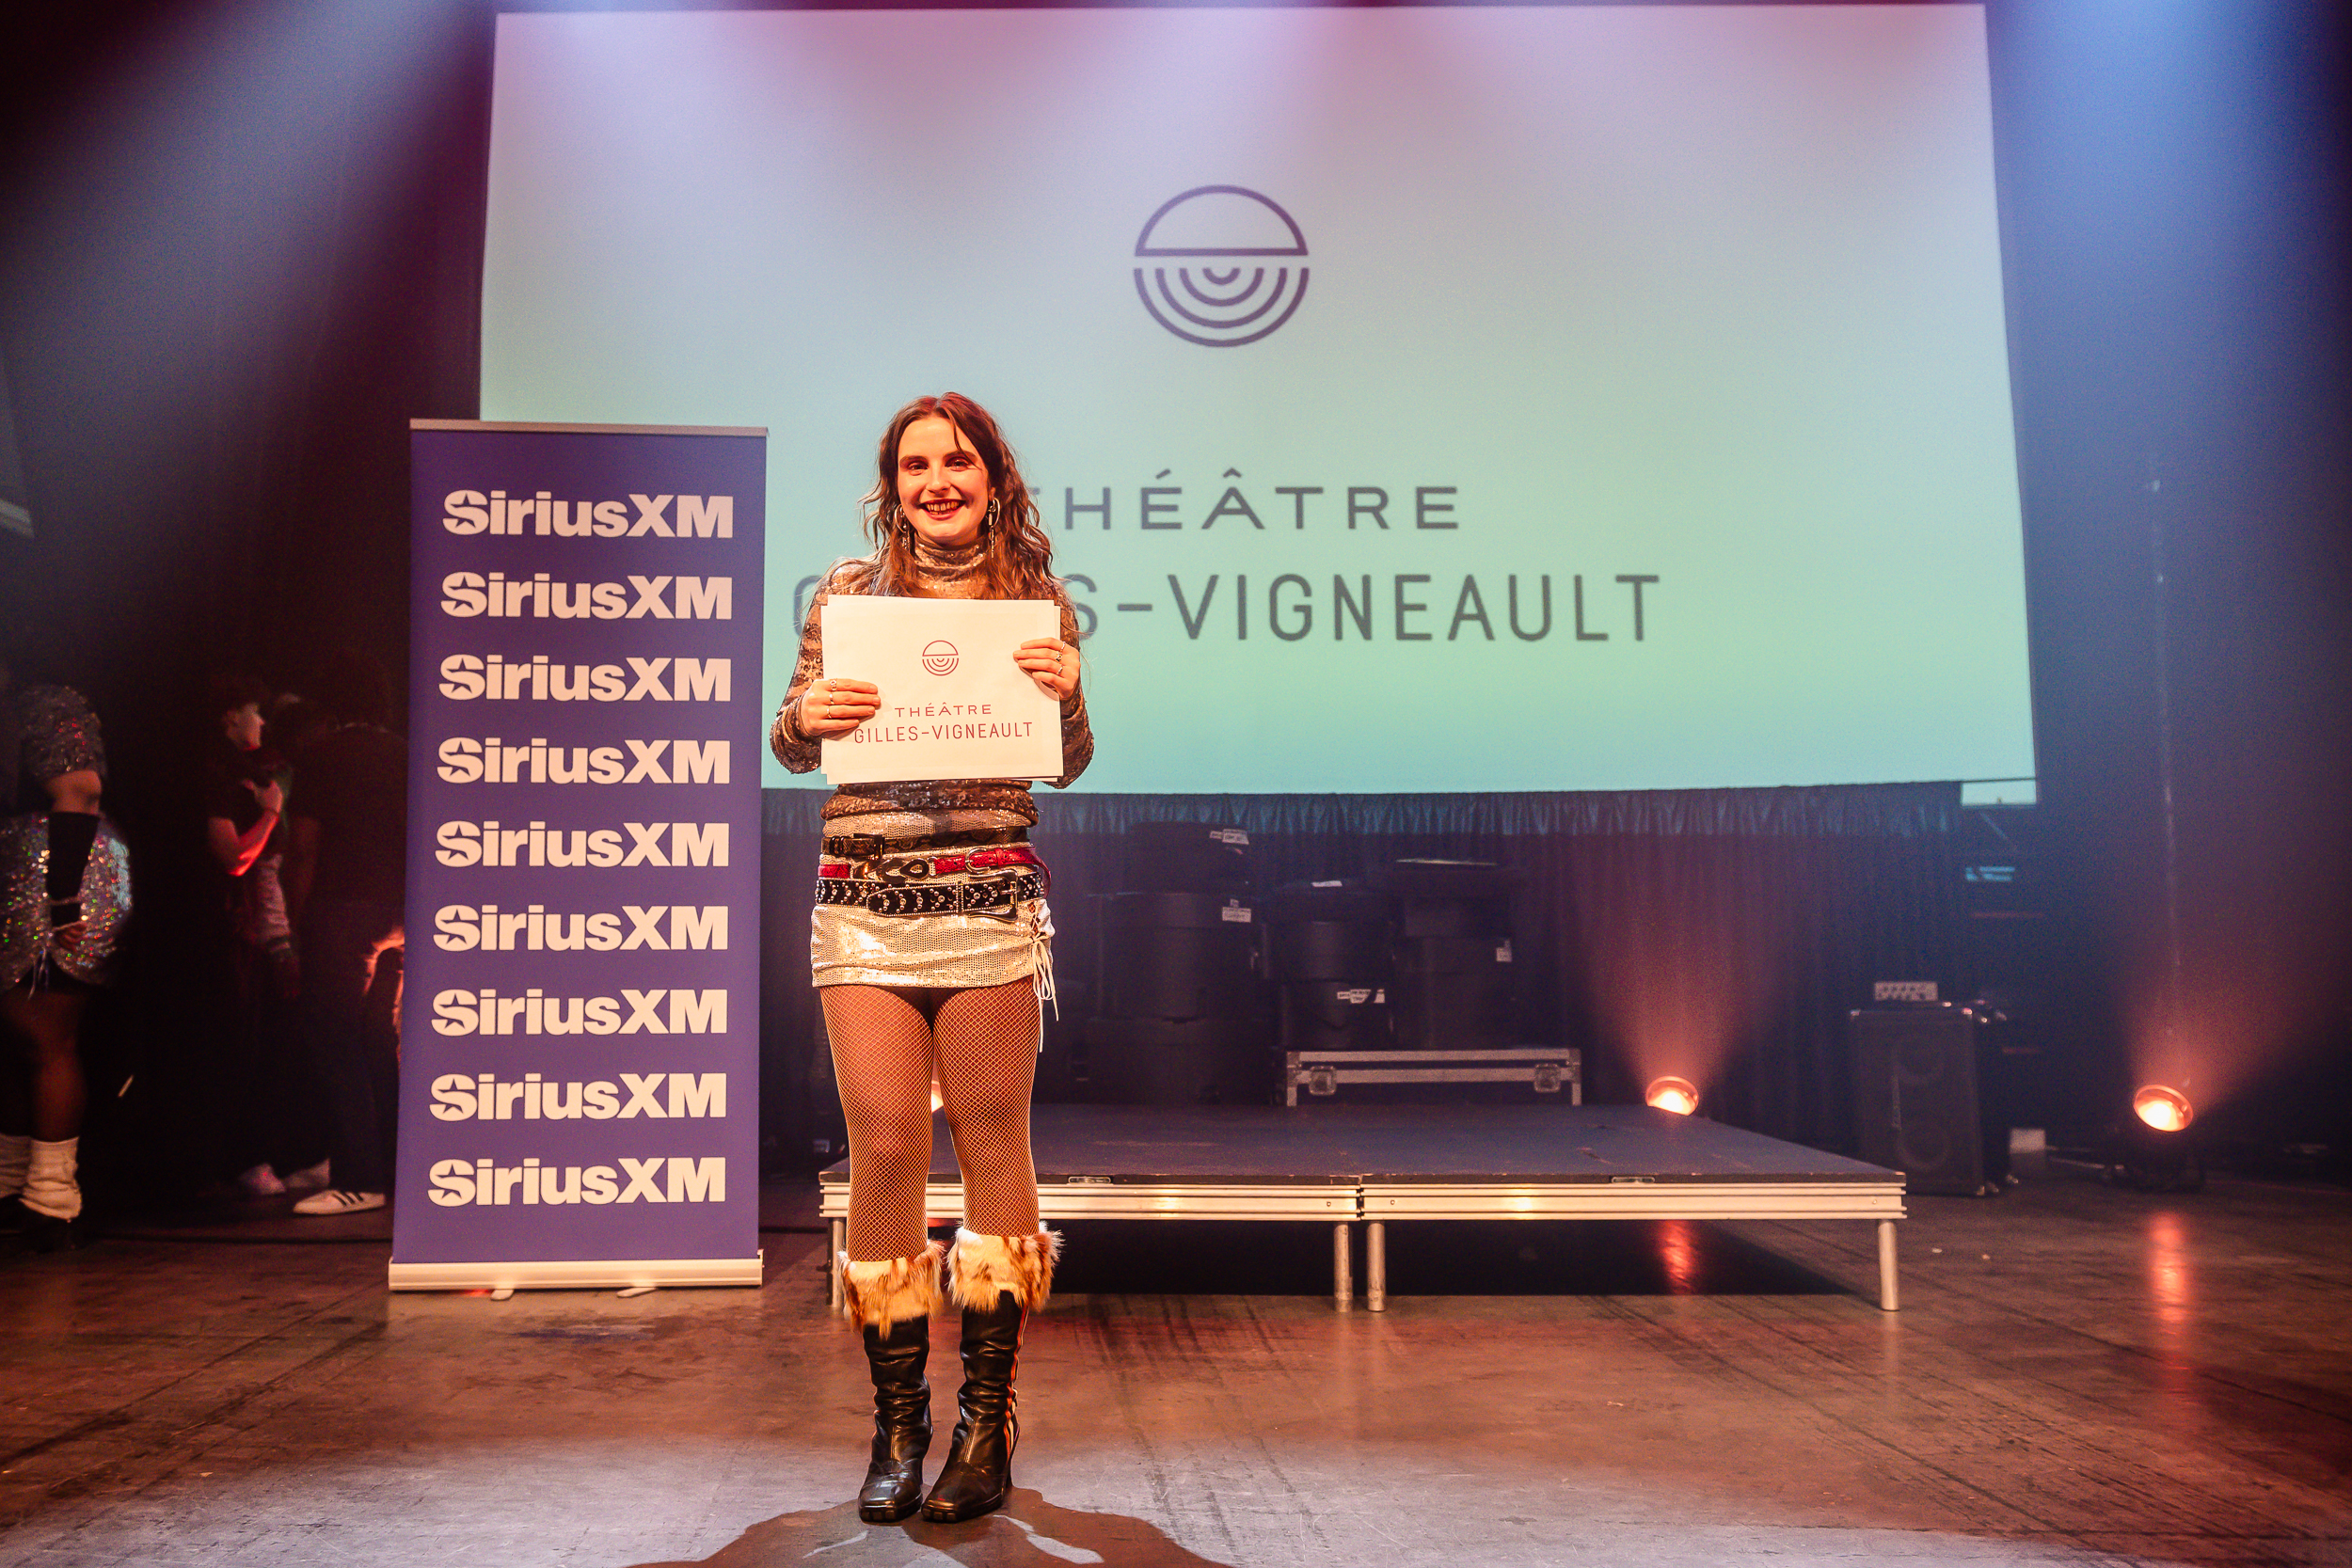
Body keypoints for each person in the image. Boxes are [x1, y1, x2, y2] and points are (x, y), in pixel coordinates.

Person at [771, 393, 1090, 1525]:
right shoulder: (847, 595)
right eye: (915, 465)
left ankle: (984, 1423)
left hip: (989, 897)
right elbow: (789, 738)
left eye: (957, 461)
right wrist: (808, 712)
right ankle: (897, 1424)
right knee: (888, 1142)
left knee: (993, 1139)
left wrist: (1066, 697)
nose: (936, 480)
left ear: (992, 478)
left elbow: (1067, 761)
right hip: (863, 902)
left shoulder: (1035, 602)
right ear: (892, 484)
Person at [0, 647, 131, 1251]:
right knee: (12, 1040)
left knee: (44, 1035)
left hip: (55, 878)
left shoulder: (45, 702)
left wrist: (62, 900)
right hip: (25, 877)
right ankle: (14, 1186)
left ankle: (52, 1196)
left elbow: (79, 789)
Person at [282, 651, 405, 1217]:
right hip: (403, 911)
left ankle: (358, 1177)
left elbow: (304, 848)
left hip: (343, 908)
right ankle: (391, 1167)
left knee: (336, 1040)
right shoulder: (407, 753)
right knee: (380, 1039)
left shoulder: (320, 756)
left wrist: (295, 921)